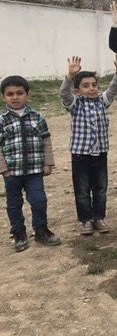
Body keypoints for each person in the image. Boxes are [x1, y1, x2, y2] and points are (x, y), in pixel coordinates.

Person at [59, 54, 117, 235]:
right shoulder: (75, 104)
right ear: (78, 90)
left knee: (100, 189)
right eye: (86, 86)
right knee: (82, 190)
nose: (91, 89)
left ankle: (98, 218)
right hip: (80, 155)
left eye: (94, 85)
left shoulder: (102, 102)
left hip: (100, 154)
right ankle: (86, 220)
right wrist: (70, 76)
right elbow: (64, 93)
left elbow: (114, 88)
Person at [1, 76, 59, 251]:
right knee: (14, 203)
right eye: (10, 94)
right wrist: (4, 169)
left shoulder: (37, 117)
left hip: (35, 170)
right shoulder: (2, 121)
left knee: (39, 200)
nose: (15, 97)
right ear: (4, 97)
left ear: (28, 95)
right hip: (12, 172)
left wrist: (48, 163)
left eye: (20, 93)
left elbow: (46, 141)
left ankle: (41, 230)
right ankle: (18, 233)